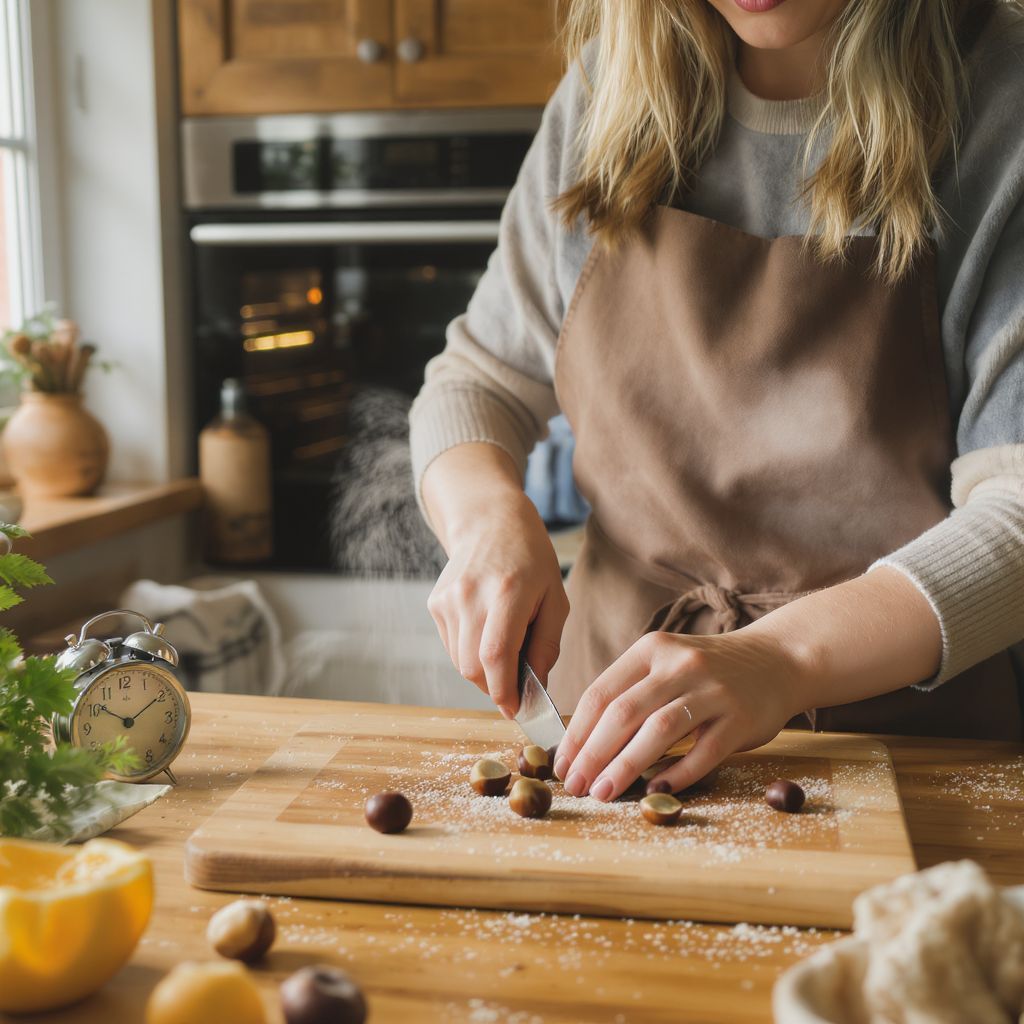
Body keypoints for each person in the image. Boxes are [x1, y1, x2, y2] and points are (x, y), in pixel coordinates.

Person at [410, 0, 1024, 803]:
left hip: (906, 764)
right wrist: (485, 518)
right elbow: (478, 381)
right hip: (609, 742)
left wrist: (783, 658)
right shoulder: (611, 90)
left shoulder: (1000, 103)